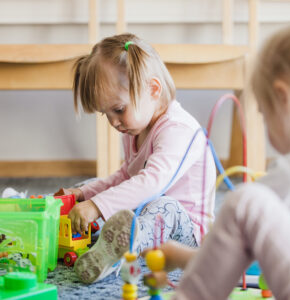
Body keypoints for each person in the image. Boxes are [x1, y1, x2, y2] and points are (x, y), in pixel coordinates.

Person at [142, 24, 290, 300]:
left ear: (284, 98)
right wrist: (182, 257)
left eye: (263, 114)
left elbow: (237, 240)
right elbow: (238, 254)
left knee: (246, 201)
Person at [55, 33, 216, 284]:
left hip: (188, 235)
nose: (114, 122)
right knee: (90, 187)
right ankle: (103, 236)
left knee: (165, 206)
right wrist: (85, 194)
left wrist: (97, 205)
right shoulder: (135, 129)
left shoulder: (178, 129)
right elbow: (124, 176)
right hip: (148, 217)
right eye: (105, 114)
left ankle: (120, 250)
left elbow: (151, 183)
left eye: (118, 110)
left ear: (153, 89)